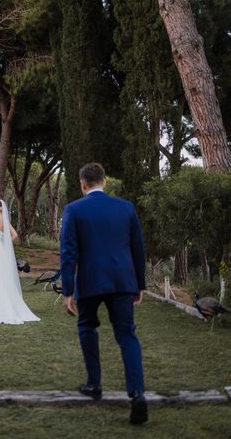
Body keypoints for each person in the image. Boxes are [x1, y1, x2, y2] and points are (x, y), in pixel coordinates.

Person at [60, 163, 148, 424]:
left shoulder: (74, 209)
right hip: (123, 281)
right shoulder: (126, 208)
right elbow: (138, 249)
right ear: (105, 182)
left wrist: (68, 290)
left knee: (87, 327)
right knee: (127, 334)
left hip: (89, 282)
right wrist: (139, 285)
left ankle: (94, 384)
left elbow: (68, 252)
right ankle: (138, 394)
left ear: (82, 184)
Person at [0, 199, 40, 325]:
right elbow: (14, 235)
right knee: (2, 277)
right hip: (1, 250)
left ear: (0, 208)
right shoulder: (5, 220)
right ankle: (5, 303)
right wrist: (4, 243)